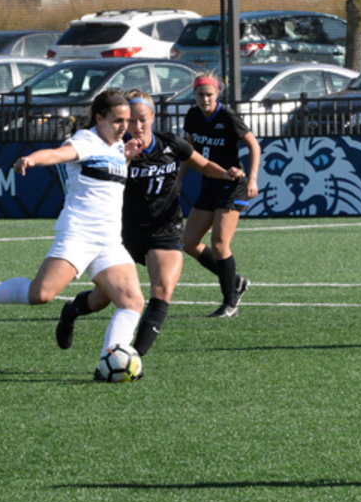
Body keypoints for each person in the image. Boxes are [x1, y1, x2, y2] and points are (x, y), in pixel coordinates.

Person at [0, 89, 146, 381]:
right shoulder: (85, 141)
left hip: (109, 240)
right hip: (79, 234)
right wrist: (31, 160)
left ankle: (107, 362)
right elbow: (56, 154)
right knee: (41, 295)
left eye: (126, 120)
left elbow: (109, 176)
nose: (124, 126)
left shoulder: (117, 146)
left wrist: (126, 157)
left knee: (132, 302)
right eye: (117, 120)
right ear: (99, 118)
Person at [55, 89, 245, 359]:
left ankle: (133, 358)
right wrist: (126, 157)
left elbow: (202, 165)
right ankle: (72, 310)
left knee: (162, 291)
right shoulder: (114, 150)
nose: (137, 126)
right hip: (124, 233)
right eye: (130, 120)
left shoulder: (171, 144)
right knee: (103, 298)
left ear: (153, 118)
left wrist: (226, 173)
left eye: (142, 119)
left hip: (165, 229)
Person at [180, 72, 261, 318]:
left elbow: (254, 145)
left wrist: (252, 179)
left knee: (219, 243)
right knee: (188, 242)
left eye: (209, 94)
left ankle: (230, 303)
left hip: (233, 184)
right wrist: (178, 179)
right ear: (194, 95)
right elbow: (189, 151)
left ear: (217, 94)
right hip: (209, 183)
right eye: (200, 94)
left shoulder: (228, 116)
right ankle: (235, 280)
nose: (205, 99)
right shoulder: (193, 116)